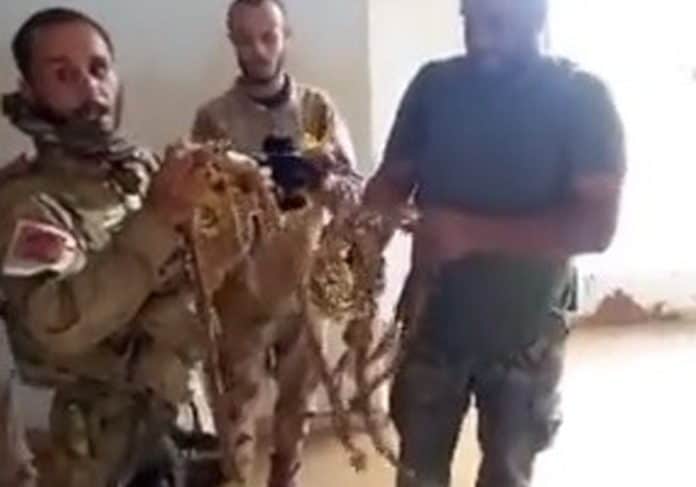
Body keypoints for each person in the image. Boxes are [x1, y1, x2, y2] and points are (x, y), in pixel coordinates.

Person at [363, 0, 626, 486]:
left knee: (507, 473)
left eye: (497, 22)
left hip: (525, 333)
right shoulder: (434, 87)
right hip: (433, 323)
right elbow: (391, 183)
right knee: (417, 471)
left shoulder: (581, 99)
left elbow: (596, 227)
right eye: (470, 21)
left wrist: (471, 233)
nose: (480, 37)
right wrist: (362, 226)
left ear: (537, 16)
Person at [0, 8, 210, 486]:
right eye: (63, 74)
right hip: (103, 449)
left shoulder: (143, 173)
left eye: (98, 69)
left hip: (182, 417)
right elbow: (61, 323)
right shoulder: (27, 204)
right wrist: (158, 219)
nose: (90, 88)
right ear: (30, 91)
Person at [191, 1, 360, 486]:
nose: (258, 50)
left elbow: (352, 192)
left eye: (268, 36)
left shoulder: (315, 111)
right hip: (239, 292)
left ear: (287, 34)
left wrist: (325, 179)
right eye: (245, 39)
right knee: (234, 412)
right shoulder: (215, 119)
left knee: (297, 407)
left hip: (304, 288)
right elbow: (200, 211)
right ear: (232, 41)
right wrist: (243, 188)